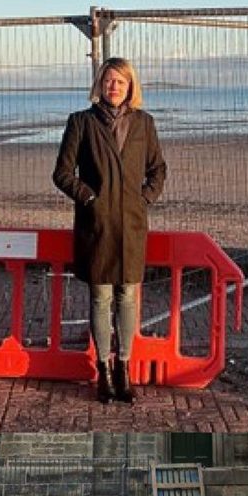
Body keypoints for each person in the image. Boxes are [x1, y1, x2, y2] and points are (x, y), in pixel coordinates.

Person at [52, 57, 167, 404]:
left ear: (131, 86)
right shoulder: (81, 123)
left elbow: (158, 169)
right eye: (108, 80)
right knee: (101, 298)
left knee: (128, 297)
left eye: (121, 81)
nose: (114, 87)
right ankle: (102, 368)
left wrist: (143, 198)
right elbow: (62, 173)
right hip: (96, 225)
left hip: (131, 224)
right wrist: (89, 199)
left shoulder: (144, 124)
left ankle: (124, 367)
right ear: (99, 85)